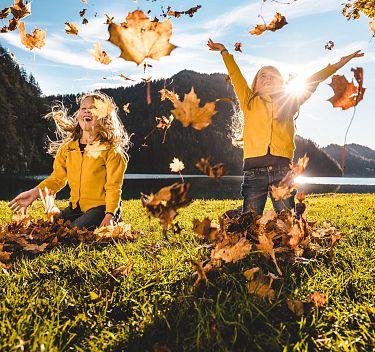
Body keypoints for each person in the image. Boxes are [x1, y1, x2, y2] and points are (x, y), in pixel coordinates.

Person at [207, 38, 364, 215]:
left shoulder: (290, 103)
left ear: (281, 84)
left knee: (286, 221)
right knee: (250, 220)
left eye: (272, 76)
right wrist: (224, 52)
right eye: (263, 76)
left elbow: (313, 80)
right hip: (253, 173)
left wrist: (339, 63)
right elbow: (235, 75)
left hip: (283, 172)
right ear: (255, 85)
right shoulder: (249, 101)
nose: (267, 78)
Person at [9, 91, 129, 229]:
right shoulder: (68, 148)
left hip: (102, 208)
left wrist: (110, 215)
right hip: (76, 208)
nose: (87, 111)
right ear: (78, 115)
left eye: (94, 109)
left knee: (73, 231)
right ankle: (56, 212)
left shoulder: (111, 152)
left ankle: (113, 220)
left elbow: (114, 187)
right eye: (83, 108)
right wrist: (34, 193)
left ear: (105, 118)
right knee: (54, 227)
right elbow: (57, 179)